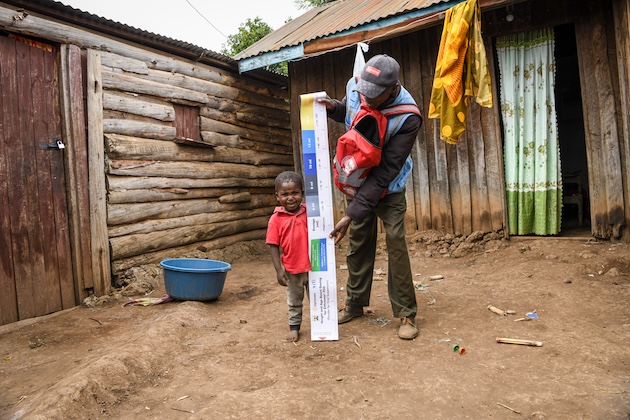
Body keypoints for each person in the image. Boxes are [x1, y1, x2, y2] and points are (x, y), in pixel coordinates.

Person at [317, 54, 423, 340]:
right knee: (358, 243)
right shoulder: (358, 87)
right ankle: (354, 304)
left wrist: (351, 214)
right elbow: (349, 113)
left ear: (393, 88)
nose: (367, 98)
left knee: (396, 243)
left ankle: (406, 312)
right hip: (358, 181)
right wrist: (333, 107)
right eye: (364, 91)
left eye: (375, 95)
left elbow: (387, 171)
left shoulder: (408, 116)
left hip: (389, 187)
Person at [266, 171, 312, 342]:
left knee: (317, 297)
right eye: (285, 194)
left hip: (314, 266)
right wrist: (279, 270)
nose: (290, 198)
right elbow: (273, 245)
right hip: (292, 268)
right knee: (294, 300)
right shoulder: (276, 219)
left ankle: (321, 326)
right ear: (277, 196)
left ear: (302, 193)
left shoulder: (310, 212)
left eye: (295, 193)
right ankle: (294, 327)